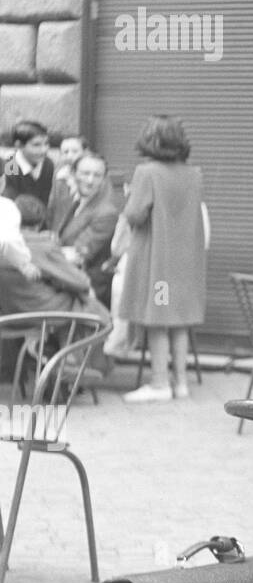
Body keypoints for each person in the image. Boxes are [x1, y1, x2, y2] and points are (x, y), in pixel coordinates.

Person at [118, 116, 207, 404]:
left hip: (158, 262)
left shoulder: (147, 172)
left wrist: (130, 196)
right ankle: (181, 383)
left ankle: (159, 383)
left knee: (157, 321)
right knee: (179, 321)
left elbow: (135, 214)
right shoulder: (194, 174)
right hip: (186, 262)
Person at [51, 152, 120, 308]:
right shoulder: (73, 202)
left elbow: (79, 254)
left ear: (104, 179)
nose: (90, 180)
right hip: (66, 280)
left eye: (97, 175)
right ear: (74, 174)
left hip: (88, 289)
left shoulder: (106, 212)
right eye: (85, 173)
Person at [4, 120, 59, 209]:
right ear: (19, 145)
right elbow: (10, 200)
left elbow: (45, 198)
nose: (44, 150)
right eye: (36, 145)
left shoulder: (47, 164)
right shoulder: (10, 164)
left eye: (46, 143)